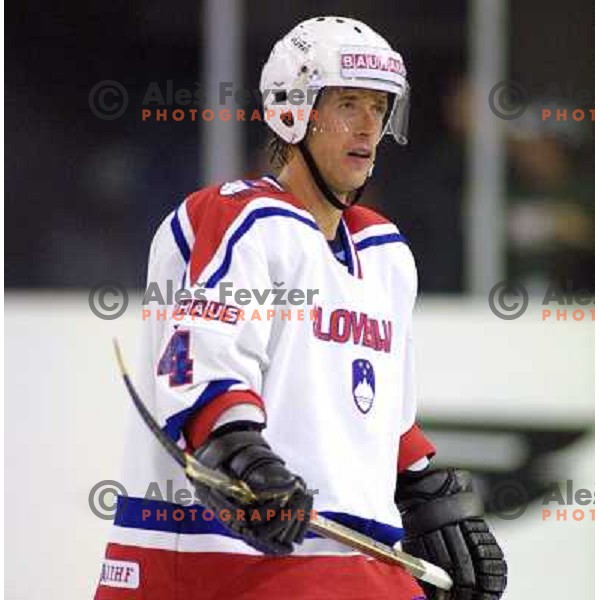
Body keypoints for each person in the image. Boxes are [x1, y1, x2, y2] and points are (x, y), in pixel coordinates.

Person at [95, 16, 507, 599]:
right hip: (229, 561)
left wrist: (423, 487)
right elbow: (200, 367)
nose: (369, 127)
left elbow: (381, 412)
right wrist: (241, 454)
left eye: (380, 107)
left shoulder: (384, 252)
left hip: (349, 562)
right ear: (293, 110)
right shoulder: (239, 218)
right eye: (348, 105)